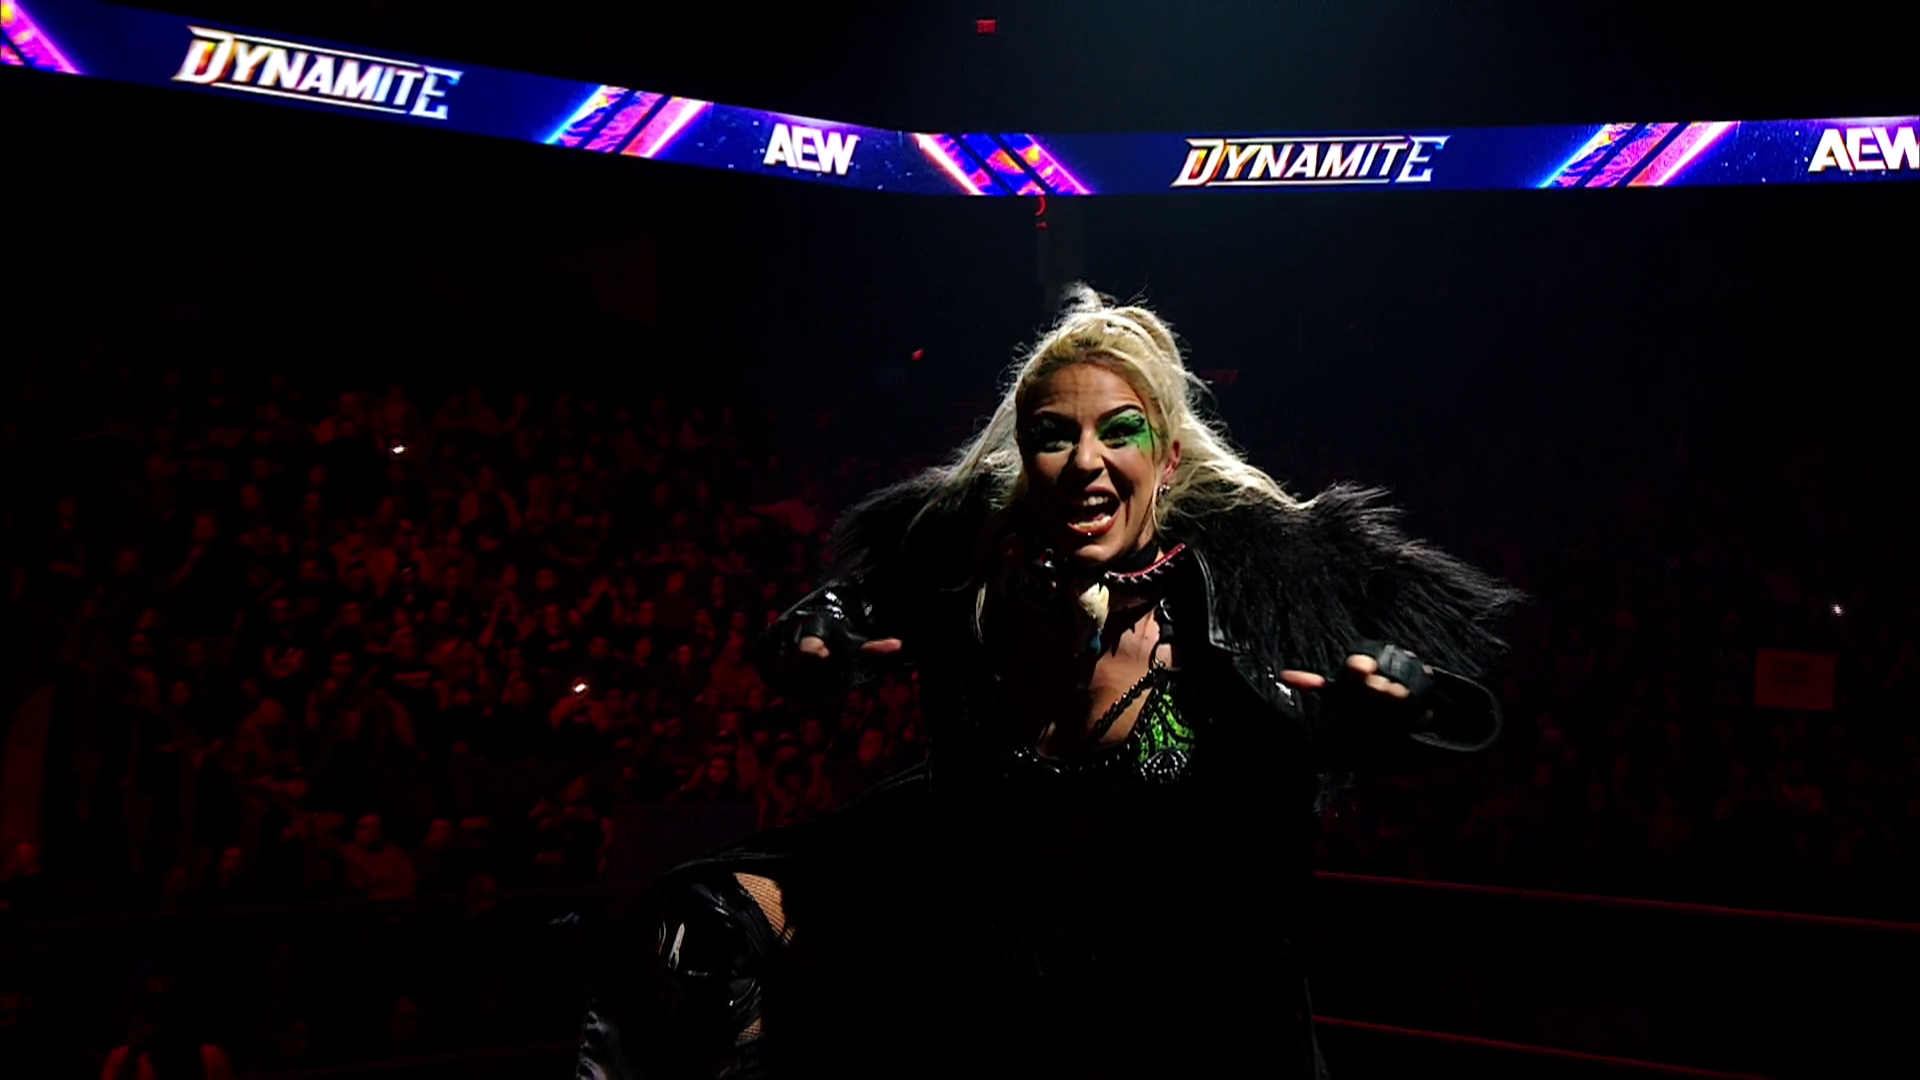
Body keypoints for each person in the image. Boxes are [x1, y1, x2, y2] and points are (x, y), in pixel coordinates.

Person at [575, 285, 1519, 1079]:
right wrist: (812, 641)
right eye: (1054, 435)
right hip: (989, 985)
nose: (1086, 462)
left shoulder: (1258, 591)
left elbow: (1434, 711)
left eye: (1119, 431)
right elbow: (833, 616)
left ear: (1168, 459)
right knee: (701, 930)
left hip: (1182, 1007)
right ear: (1025, 458)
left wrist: (1392, 709)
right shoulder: (962, 567)